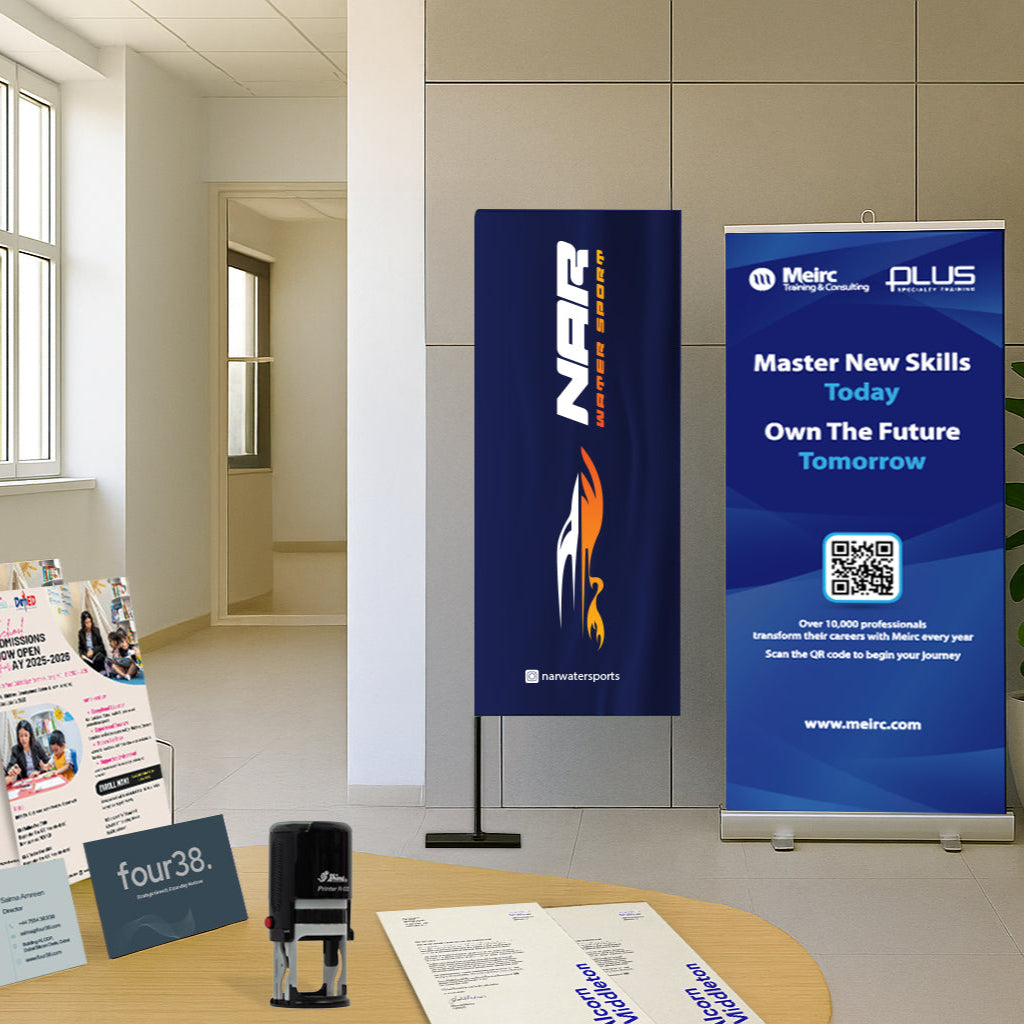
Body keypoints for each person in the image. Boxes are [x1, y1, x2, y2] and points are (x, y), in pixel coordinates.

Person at [5, 720, 48, 785]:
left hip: (38, 778)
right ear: (18, 737)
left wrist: (38, 771)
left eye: (26, 735)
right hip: (25, 781)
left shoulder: (36, 745)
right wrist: (12, 770)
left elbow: (47, 761)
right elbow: (9, 767)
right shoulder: (15, 749)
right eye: (21, 736)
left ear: (30, 735)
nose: (23, 739)